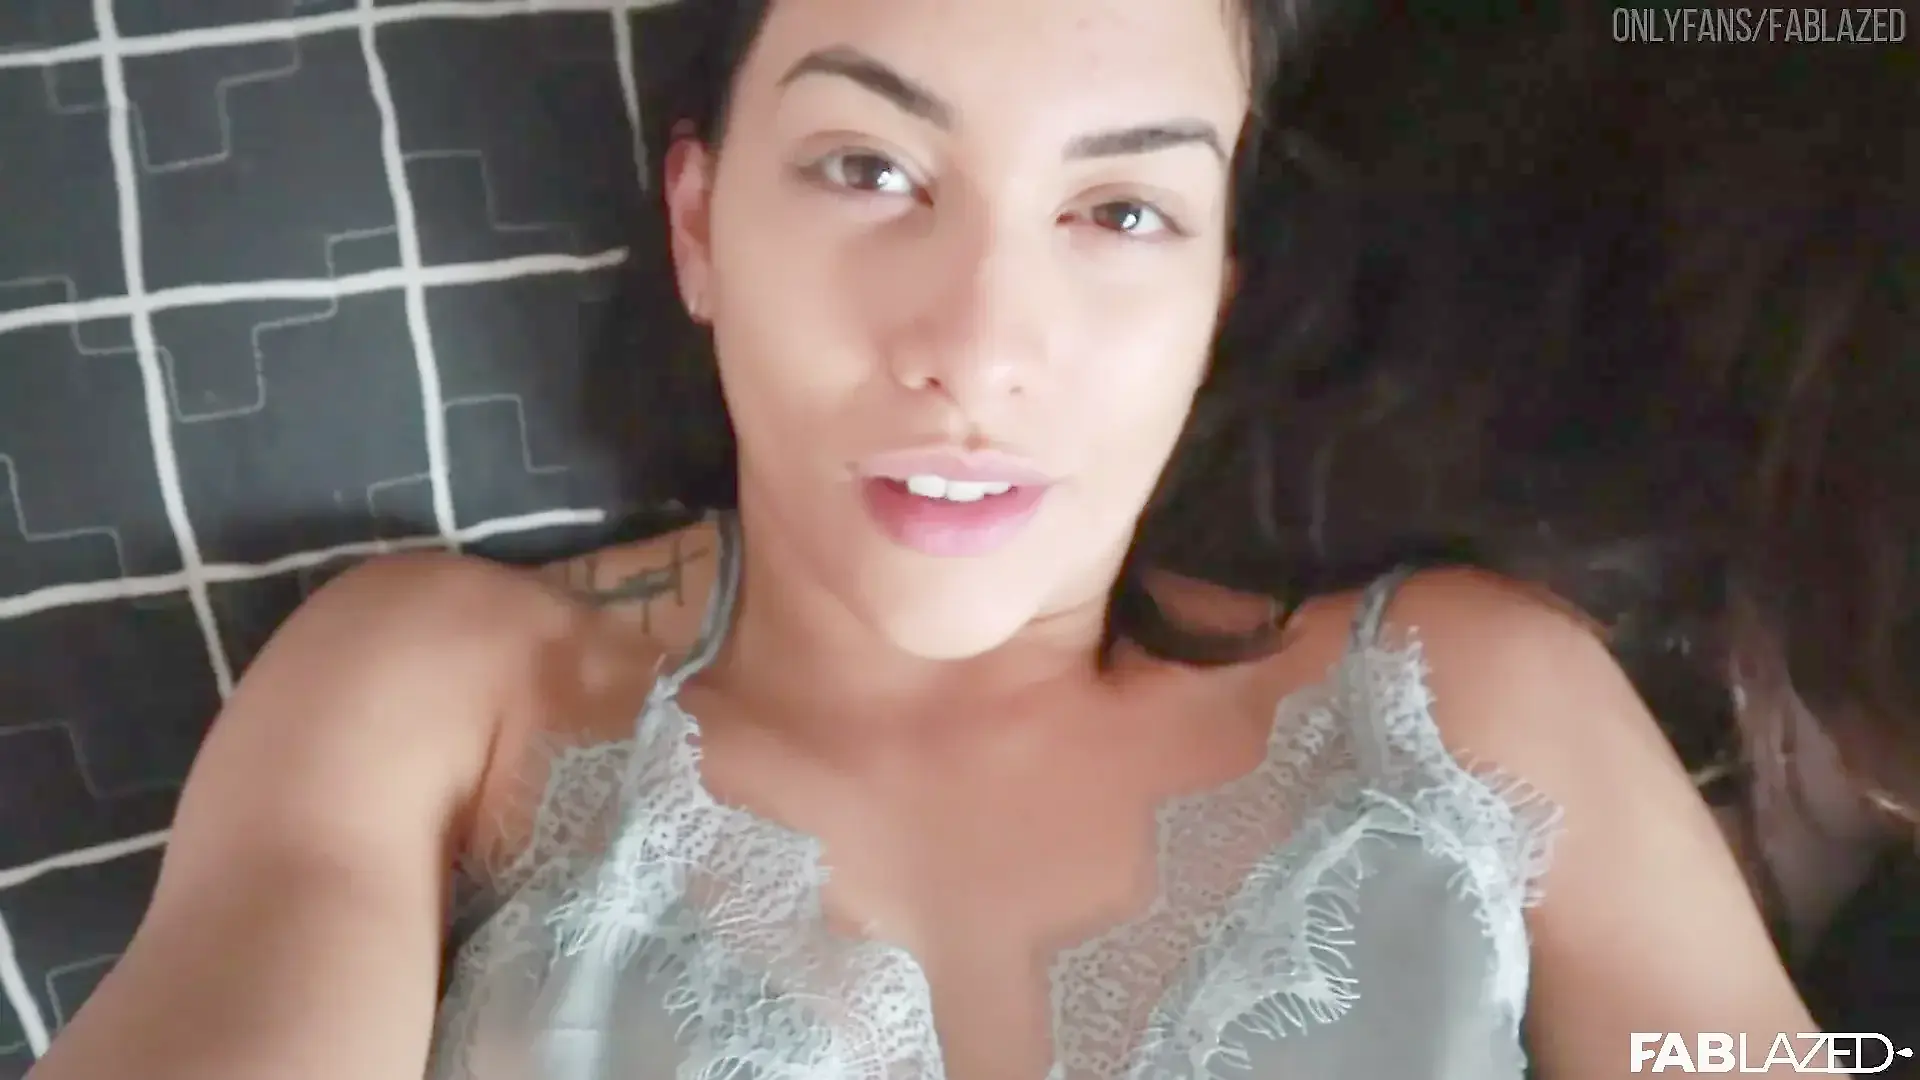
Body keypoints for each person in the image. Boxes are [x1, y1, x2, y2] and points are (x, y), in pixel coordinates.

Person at [28, 1, 1818, 1078]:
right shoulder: (440, 699)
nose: (977, 347)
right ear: (700, 221)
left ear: (1218, 291)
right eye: (870, 169)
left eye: (1120, 210)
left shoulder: (1477, 702)